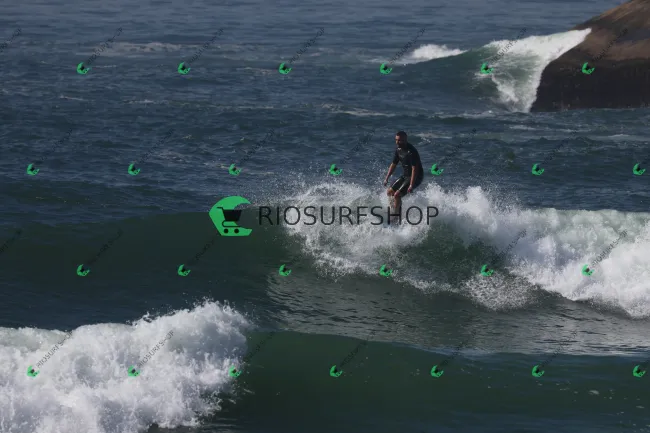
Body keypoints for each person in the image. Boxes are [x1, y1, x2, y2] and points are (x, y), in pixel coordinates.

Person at [383, 131, 423, 222]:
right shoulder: (398, 150)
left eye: (400, 140)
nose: (397, 142)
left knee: (397, 195)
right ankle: (393, 210)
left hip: (416, 176)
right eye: (396, 140)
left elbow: (414, 169)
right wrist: (387, 178)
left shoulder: (411, 151)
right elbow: (393, 164)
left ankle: (396, 217)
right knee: (389, 192)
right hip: (405, 176)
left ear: (405, 140)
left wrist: (411, 185)